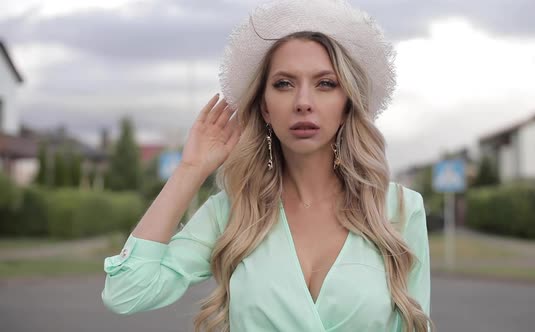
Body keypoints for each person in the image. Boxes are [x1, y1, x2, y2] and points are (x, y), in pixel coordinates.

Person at [101, 0, 434, 331]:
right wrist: (191, 168)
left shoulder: (400, 210)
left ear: (347, 106)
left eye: (325, 84)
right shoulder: (232, 213)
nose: (303, 102)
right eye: (284, 84)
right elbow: (127, 291)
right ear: (264, 108)